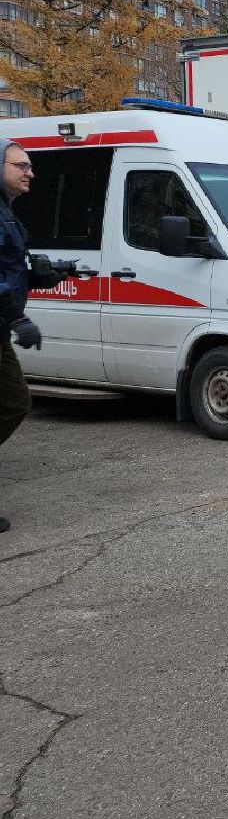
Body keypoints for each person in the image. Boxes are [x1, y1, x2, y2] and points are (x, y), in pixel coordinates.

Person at [0, 141, 74, 535]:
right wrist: (16, 317)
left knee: (13, 403)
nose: (30, 173)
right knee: (14, 402)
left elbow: (8, 272)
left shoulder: (7, 213)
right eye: (21, 166)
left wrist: (41, 276)